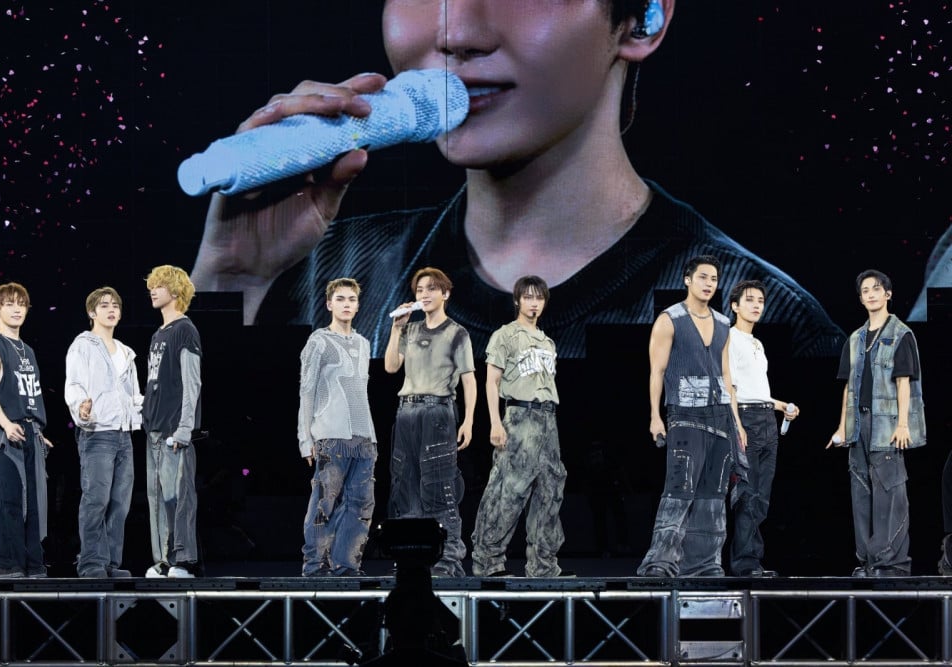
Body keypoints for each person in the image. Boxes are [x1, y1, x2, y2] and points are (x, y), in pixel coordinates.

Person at [189, 0, 843, 360]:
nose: (456, 32)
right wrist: (233, 281)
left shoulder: (766, 321)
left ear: (643, 17)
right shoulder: (321, 278)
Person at [637, 255, 745, 577]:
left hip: (720, 418)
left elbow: (727, 375)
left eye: (714, 279)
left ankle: (704, 565)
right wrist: (655, 416)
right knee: (679, 489)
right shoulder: (670, 319)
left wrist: (737, 423)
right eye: (703, 277)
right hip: (685, 415)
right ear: (687, 279)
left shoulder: (723, 323)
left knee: (714, 494)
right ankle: (661, 562)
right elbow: (656, 371)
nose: (709, 284)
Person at [828, 269, 925, 577]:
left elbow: (904, 382)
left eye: (876, 289)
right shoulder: (855, 338)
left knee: (889, 492)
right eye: (865, 290)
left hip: (886, 424)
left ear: (888, 294)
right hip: (859, 424)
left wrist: (903, 424)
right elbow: (848, 386)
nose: (871, 294)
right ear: (860, 298)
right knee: (860, 492)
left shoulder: (900, 334)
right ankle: (867, 562)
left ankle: (891, 563)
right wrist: (842, 426)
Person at [471, 276, 569, 578]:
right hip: (519, 416)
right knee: (508, 490)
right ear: (517, 301)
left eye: (539, 297)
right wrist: (495, 422)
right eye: (528, 297)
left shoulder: (547, 341)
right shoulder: (505, 335)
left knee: (550, 489)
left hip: (547, 419)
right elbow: (492, 381)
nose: (534, 303)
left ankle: (543, 566)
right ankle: (488, 562)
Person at [385, 267, 476, 577]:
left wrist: (469, 421)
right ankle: (411, 560)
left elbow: (469, 380)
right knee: (405, 487)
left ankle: (448, 561)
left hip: (438, 412)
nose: (424, 294)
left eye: (431, 288)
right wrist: (396, 328)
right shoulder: (409, 330)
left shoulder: (457, 332)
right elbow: (390, 367)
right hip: (407, 411)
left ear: (445, 294)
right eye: (420, 289)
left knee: (439, 488)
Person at [298, 278, 378, 576]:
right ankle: (315, 566)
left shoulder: (363, 343)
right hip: (331, 435)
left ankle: (346, 565)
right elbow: (307, 391)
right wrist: (305, 438)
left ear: (357, 306)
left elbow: (361, 391)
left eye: (352, 299)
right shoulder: (319, 341)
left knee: (360, 504)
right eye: (341, 299)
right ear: (329, 304)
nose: (346, 304)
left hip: (364, 435)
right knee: (324, 502)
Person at [64, 287, 143, 578]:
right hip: (98, 433)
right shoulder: (83, 345)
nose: (111, 309)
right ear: (92, 312)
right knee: (96, 499)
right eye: (104, 305)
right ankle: (90, 563)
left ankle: (110, 564)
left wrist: (145, 409)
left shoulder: (125, 351)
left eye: (115, 305)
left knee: (120, 503)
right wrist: (81, 408)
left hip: (124, 434)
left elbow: (133, 395)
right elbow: (74, 384)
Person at [0, 282, 54, 578]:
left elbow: (29, 395)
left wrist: (38, 431)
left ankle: (33, 565)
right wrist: (6, 424)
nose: (17, 308)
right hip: (5, 435)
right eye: (9, 303)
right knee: (8, 500)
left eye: (21, 303)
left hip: (30, 432)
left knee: (35, 504)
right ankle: (7, 565)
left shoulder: (28, 351)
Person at [725, 280, 799, 578]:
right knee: (747, 494)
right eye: (750, 300)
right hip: (747, 419)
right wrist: (737, 426)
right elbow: (730, 387)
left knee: (762, 497)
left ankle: (753, 560)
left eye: (760, 301)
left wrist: (782, 406)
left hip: (767, 418)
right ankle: (744, 564)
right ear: (735, 306)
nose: (756, 305)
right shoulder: (729, 338)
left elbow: (757, 390)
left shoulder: (757, 343)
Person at [143, 265, 204, 578]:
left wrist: (184, 428)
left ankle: (183, 561)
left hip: (173, 430)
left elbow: (192, 382)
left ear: (176, 290)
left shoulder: (185, 330)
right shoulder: (158, 334)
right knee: (158, 499)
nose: (153, 290)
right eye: (152, 285)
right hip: (154, 430)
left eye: (160, 285)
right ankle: (165, 560)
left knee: (179, 498)